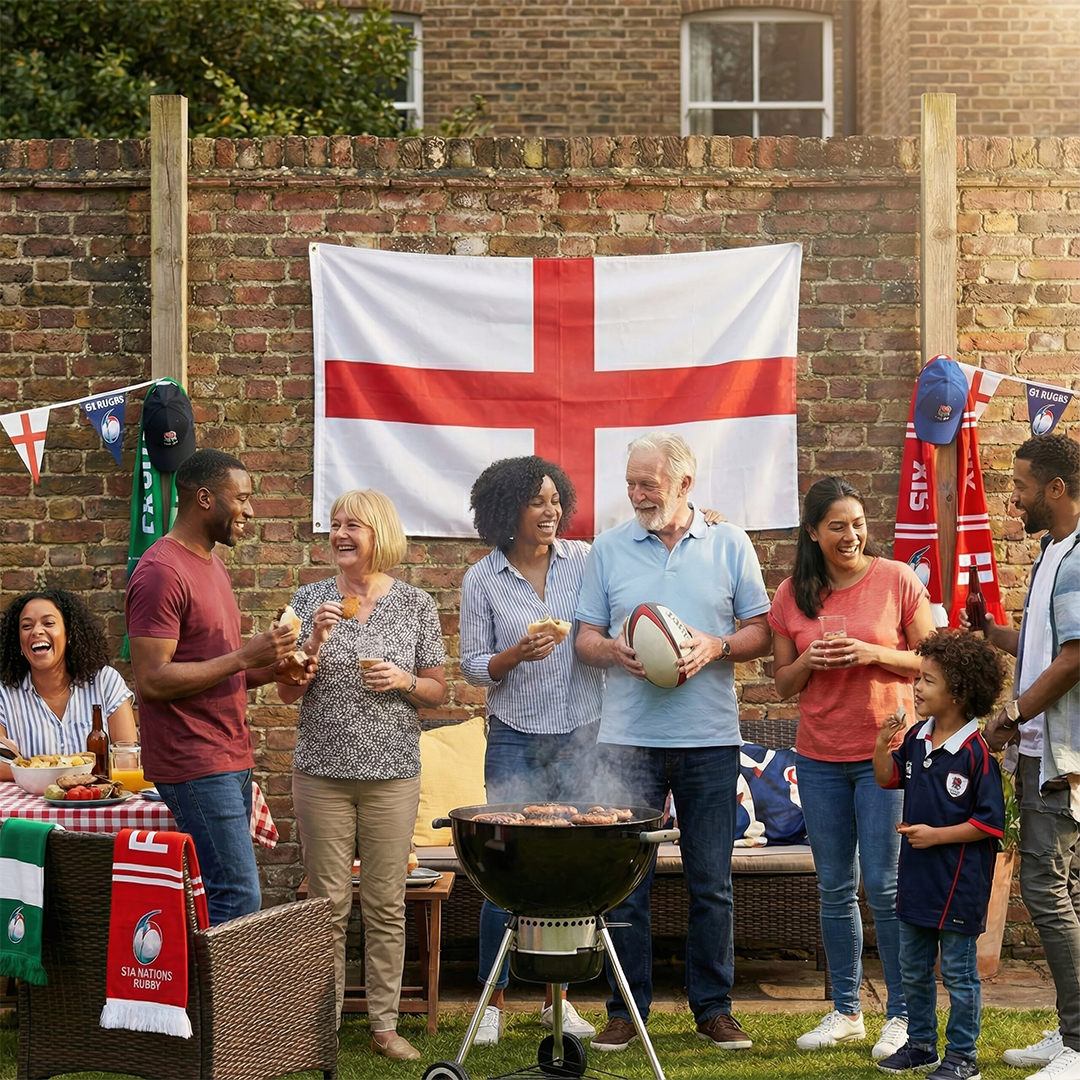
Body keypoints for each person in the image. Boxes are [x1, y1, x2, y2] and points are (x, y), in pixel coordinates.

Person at [575, 430, 771, 1053]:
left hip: (710, 739)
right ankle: (624, 1009)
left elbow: (761, 631)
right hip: (627, 741)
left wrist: (716, 645)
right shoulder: (607, 549)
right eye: (631, 483)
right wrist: (615, 650)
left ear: (685, 485)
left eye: (648, 485)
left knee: (710, 880)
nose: (635, 494)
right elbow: (583, 638)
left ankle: (713, 1008)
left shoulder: (730, 543)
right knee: (626, 882)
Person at [278, 488, 446, 1061]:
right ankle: (318, 1026)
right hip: (322, 772)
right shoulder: (308, 601)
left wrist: (404, 680)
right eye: (334, 525)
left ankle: (384, 1024)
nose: (340, 535)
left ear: (379, 533)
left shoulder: (416, 605)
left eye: (353, 525)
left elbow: (438, 689)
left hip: (392, 774)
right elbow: (284, 690)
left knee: (384, 902)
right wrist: (317, 641)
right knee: (326, 903)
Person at [770, 476, 934, 1060]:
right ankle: (846, 1011)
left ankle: (903, 1013)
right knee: (835, 888)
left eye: (858, 522)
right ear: (813, 533)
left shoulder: (897, 580)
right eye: (836, 525)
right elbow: (782, 683)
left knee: (886, 888)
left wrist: (873, 653)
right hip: (818, 759)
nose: (850, 534)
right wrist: (810, 659)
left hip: (886, 758)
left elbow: (933, 661)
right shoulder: (792, 593)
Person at [126, 449, 314, 925]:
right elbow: (151, 680)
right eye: (242, 499)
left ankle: (210, 1000)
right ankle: (218, 1003)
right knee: (237, 896)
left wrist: (271, 671)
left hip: (228, 754)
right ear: (205, 498)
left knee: (225, 894)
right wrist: (245, 656)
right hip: (194, 761)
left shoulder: (209, 563)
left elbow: (214, 668)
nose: (250, 511)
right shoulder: (161, 571)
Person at [459, 456, 603, 1046]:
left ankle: (558, 1001)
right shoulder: (482, 579)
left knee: (566, 873)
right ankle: (492, 1002)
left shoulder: (588, 561)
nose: (551, 512)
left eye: (555, 500)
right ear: (507, 511)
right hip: (514, 736)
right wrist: (514, 654)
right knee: (506, 873)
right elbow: (472, 668)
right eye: (537, 502)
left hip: (581, 733)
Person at [976, 434, 1080, 1080]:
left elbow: (1074, 659)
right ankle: (1071, 1028)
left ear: (1057, 489)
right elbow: (1047, 647)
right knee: (1062, 889)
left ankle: (1079, 1042)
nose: (1011, 499)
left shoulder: (1077, 558)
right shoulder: (1051, 553)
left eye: (1019, 486)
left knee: (1047, 891)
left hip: (1063, 756)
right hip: (1044, 755)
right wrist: (995, 637)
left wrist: (1011, 716)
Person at [873, 629, 1008, 1080]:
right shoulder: (916, 738)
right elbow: (886, 779)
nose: (917, 686)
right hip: (917, 879)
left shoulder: (977, 754)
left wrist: (936, 835)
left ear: (960, 691)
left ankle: (963, 1058)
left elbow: (989, 824)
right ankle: (921, 1045)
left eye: (928, 680)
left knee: (957, 973)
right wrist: (881, 744)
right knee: (912, 968)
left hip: (958, 884)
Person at [0, 589, 137, 779]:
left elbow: (127, 759)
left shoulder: (105, 682)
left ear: (69, 634)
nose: (37, 631)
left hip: (95, 803)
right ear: (19, 641)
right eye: (26, 626)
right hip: (30, 807)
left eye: (48, 623)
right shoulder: (4, 693)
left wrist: (33, 768)